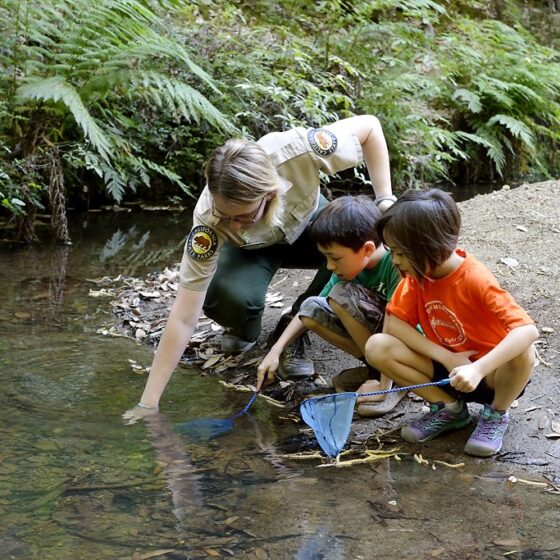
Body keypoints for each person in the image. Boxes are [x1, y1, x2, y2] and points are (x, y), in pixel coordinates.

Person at [124, 115, 395, 420]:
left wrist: (385, 201)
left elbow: (370, 128)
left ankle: (297, 320)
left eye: (242, 216)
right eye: (225, 215)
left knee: (346, 247)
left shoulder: (299, 149)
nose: (233, 224)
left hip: (309, 231)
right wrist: (149, 403)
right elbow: (184, 316)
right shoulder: (208, 221)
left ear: (269, 194)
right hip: (252, 253)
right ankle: (245, 326)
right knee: (227, 295)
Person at [365, 189, 538, 456]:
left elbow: (528, 330)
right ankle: (449, 410)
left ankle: (496, 415)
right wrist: (447, 357)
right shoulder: (416, 277)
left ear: (428, 246)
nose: (394, 260)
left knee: (524, 351)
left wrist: (478, 369)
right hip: (449, 371)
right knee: (378, 346)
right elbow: (394, 326)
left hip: (491, 376)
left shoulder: (474, 278)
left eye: (400, 252)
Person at [257, 195, 404, 417]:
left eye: (335, 258)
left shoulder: (396, 266)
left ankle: (393, 381)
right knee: (313, 307)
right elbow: (308, 310)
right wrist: (275, 351)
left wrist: (383, 388)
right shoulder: (348, 270)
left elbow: (397, 327)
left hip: (401, 344)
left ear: (366, 249)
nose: (329, 266)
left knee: (341, 294)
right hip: (376, 345)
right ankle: (377, 373)